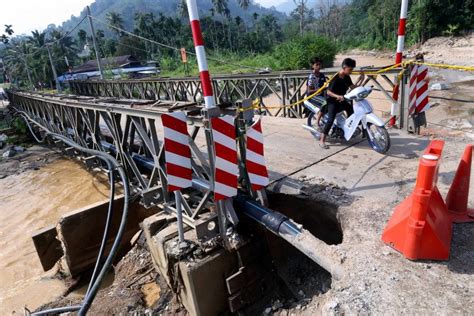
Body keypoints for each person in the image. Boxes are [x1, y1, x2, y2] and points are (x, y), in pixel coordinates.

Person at [320, 58, 365, 149]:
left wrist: (361, 79)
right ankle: (322, 141)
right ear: (344, 67)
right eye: (350, 69)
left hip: (341, 99)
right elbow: (328, 92)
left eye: (352, 69)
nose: (351, 71)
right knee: (331, 119)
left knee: (351, 110)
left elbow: (352, 87)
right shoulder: (335, 77)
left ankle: (348, 128)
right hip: (332, 101)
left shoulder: (346, 77)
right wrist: (337, 96)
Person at [306, 57, 327, 127]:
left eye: (320, 65)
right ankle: (317, 122)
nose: (319, 66)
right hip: (312, 96)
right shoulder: (311, 77)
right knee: (325, 103)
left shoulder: (322, 75)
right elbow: (309, 91)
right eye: (317, 65)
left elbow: (325, 85)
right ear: (313, 66)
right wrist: (319, 90)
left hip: (321, 95)